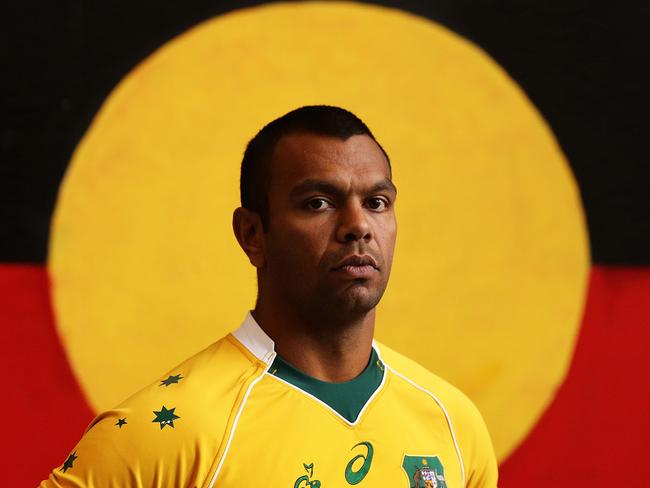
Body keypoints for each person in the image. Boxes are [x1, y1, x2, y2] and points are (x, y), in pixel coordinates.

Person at [40, 106, 498, 487]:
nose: (358, 225)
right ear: (252, 234)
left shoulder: (455, 425)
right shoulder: (162, 434)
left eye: (377, 202)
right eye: (318, 202)